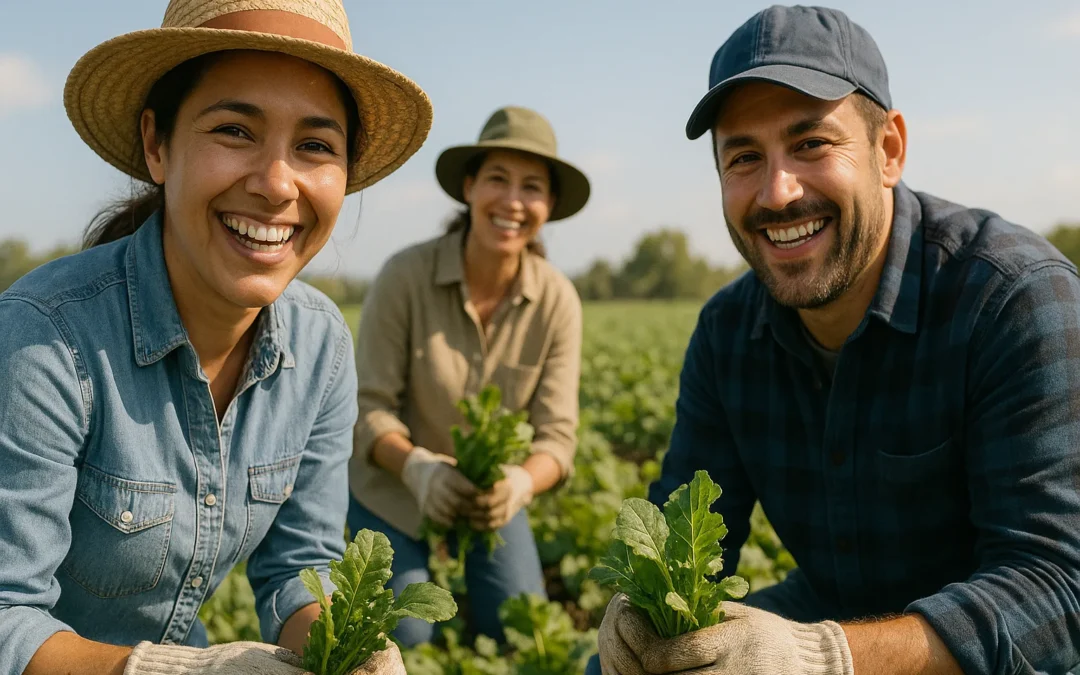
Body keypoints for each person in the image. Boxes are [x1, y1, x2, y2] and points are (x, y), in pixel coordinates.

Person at [590, 5, 1080, 675]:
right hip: (834, 606)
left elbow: (1059, 590)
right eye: (743, 156)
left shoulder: (1012, 298)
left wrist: (824, 656)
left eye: (811, 144)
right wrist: (641, 603)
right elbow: (683, 540)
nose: (778, 191)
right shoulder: (726, 333)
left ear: (889, 151)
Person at [0, 1, 433, 674]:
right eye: (235, 130)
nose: (275, 183)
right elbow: (5, 616)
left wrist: (347, 649)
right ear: (157, 144)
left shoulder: (321, 350)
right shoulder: (45, 337)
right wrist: (172, 669)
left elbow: (299, 563)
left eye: (315, 145)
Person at [347, 105, 589, 647]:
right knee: (404, 635)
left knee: (521, 629)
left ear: (548, 206)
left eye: (532, 187)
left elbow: (557, 437)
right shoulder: (404, 277)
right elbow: (368, 410)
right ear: (469, 187)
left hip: (490, 498)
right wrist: (418, 470)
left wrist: (520, 482)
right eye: (497, 179)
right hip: (397, 490)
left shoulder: (556, 301)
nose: (512, 201)